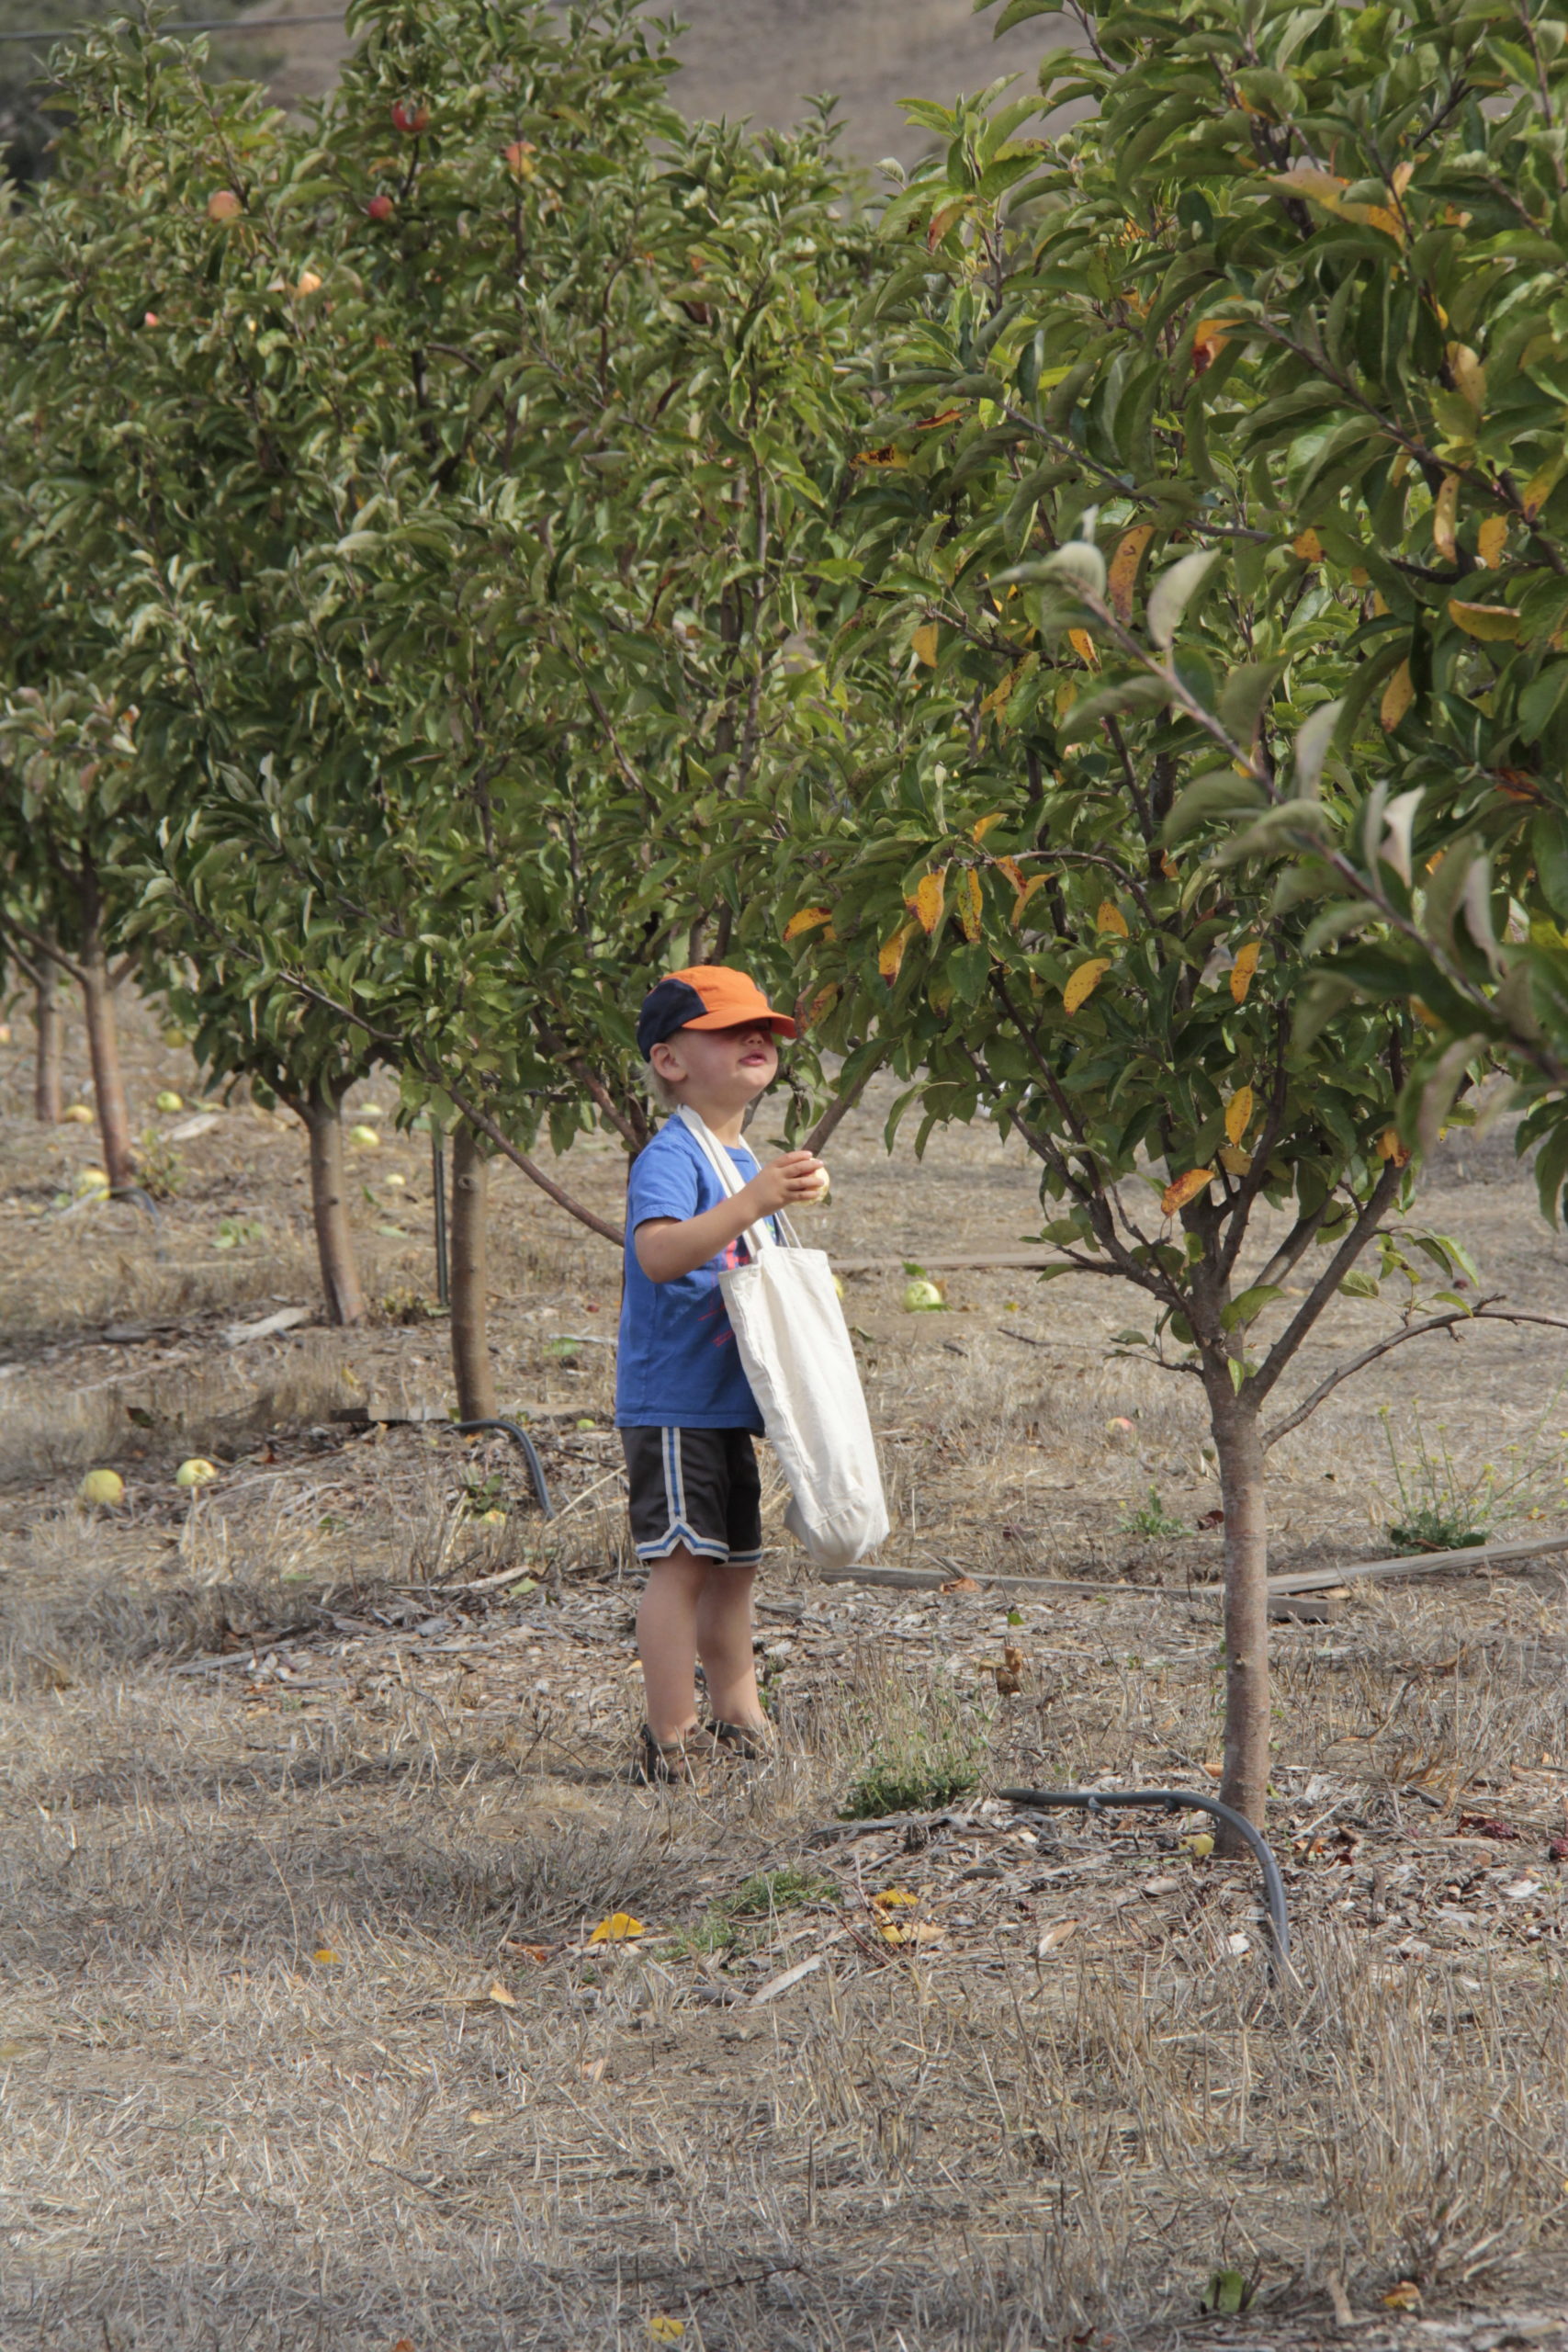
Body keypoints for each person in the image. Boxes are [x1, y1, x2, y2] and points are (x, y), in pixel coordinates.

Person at [617, 964, 829, 1782]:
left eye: (763, 1031)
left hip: (724, 1401)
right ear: (671, 1061)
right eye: (730, 1029)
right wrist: (754, 1201)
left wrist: (779, 1193)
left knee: (734, 1564)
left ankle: (739, 1713)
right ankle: (669, 1736)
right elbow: (659, 1253)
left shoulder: (740, 1159)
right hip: (672, 1400)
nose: (755, 1039)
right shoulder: (672, 1157)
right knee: (681, 1563)